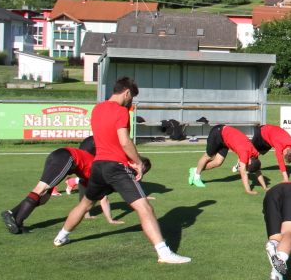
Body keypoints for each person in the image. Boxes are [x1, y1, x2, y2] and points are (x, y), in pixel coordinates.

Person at [53, 76, 190, 263]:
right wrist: (138, 163)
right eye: (131, 97)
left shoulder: (97, 108)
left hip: (98, 165)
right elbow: (124, 142)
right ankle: (164, 254)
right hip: (115, 167)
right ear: (126, 92)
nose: (131, 101)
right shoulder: (121, 112)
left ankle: (61, 237)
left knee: (85, 204)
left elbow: (107, 139)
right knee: (145, 208)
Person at [0, 142, 135, 233]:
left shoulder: (95, 171)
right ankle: (17, 222)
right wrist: (110, 220)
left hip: (59, 155)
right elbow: (103, 199)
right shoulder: (99, 174)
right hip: (67, 157)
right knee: (40, 189)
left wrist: (86, 214)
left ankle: (12, 215)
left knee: (44, 197)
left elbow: (84, 196)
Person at [189, 124, 266, 194]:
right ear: (248, 162)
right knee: (208, 156)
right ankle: (197, 177)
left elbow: (257, 170)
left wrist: (264, 187)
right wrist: (249, 190)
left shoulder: (254, 154)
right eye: (247, 167)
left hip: (225, 140)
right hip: (218, 133)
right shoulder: (244, 153)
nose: (246, 167)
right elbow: (243, 172)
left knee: (218, 162)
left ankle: (195, 170)